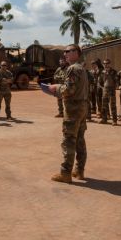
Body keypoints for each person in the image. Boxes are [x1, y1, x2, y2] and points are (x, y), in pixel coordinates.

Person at [49, 44, 88, 183]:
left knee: (69, 140)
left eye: (67, 51)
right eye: (64, 52)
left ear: (76, 53)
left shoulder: (72, 68)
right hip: (82, 106)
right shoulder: (82, 68)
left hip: (73, 109)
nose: (64, 54)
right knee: (79, 140)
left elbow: (69, 90)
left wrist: (56, 88)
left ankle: (65, 173)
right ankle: (79, 170)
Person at [99, 59, 118, 125]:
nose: (106, 65)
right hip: (105, 90)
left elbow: (116, 81)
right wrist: (103, 87)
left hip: (111, 90)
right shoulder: (102, 72)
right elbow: (100, 81)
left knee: (112, 106)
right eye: (104, 63)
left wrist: (114, 87)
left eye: (107, 63)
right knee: (104, 105)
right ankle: (104, 119)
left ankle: (114, 120)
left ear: (109, 64)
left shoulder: (113, 72)